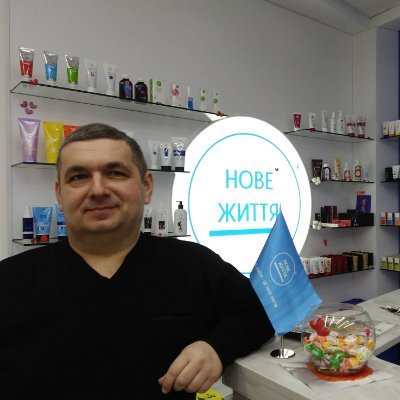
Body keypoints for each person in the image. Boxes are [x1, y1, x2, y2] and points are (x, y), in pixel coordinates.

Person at [0, 123, 274, 399]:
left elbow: (260, 313)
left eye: (115, 173)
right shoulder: (10, 281)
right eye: (79, 177)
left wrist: (215, 348)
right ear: (60, 194)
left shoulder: (194, 266)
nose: (98, 190)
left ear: (146, 187)